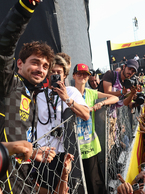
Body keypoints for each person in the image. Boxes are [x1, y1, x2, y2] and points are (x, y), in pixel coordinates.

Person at [0, 0, 60, 193]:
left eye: (45, 66)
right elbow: (2, 47)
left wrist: (33, 152)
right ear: (19, 64)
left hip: (20, 180)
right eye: (35, 62)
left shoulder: (31, 93)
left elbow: (14, 140)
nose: (40, 69)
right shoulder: (6, 82)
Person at [36, 55, 89, 192]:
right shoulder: (39, 95)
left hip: (65, 151)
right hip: (44, 152)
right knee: (46, 189)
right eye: (52, 72)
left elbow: (85, 115)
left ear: (64, 75)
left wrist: (66, 99)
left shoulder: (71, 91)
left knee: (65, 189)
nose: (55, 75)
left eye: (58, 72)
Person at [72, 63, 119, 194]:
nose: (82, 76)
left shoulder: (91, 93)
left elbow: (115, 97)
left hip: (90, 146)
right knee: (78, 185)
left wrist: (102, 102)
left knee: (94, 183)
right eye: (79, 74)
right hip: (74, 147)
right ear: (74, 75)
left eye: (85, 74)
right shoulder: (69, 92)